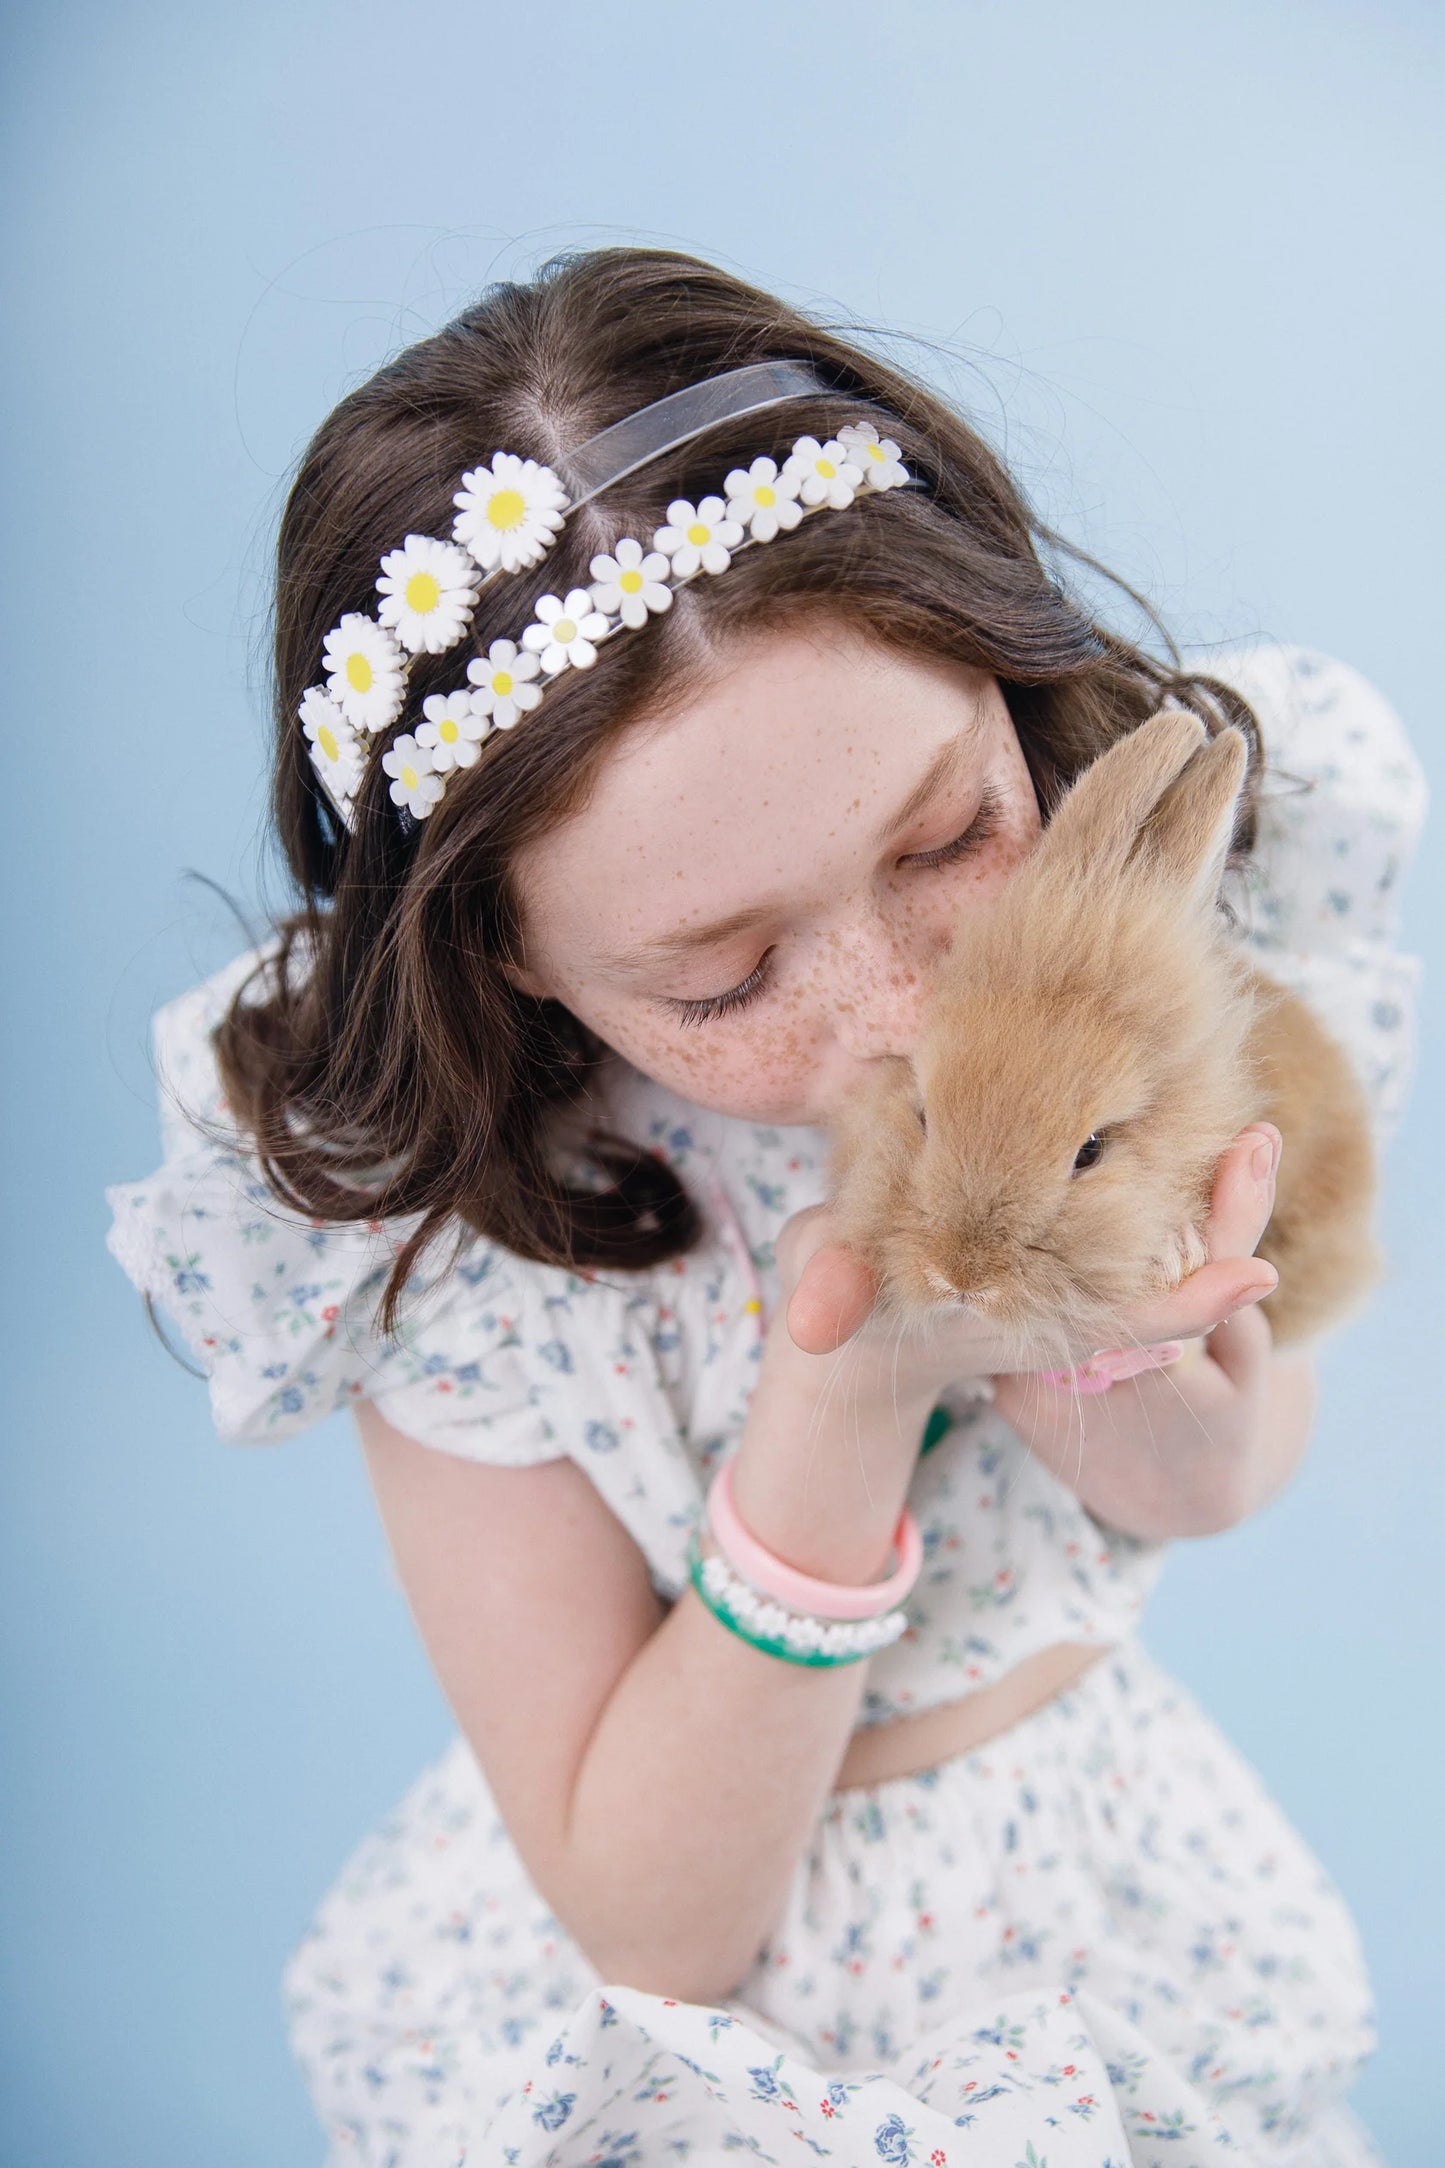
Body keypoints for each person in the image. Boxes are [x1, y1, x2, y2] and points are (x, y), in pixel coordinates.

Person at [105, 248, 1427, 2166]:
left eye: (951, 836)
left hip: (1081, 1923)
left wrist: (1114, 1317)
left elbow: (1204, 1483)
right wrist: (849, 1387)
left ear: (1003, 671)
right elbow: (656, 1923)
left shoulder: (1129, 948)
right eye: (722, 981)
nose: (893, 1020)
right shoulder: (470, 1226)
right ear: (511, 962)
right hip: (694, 2022)